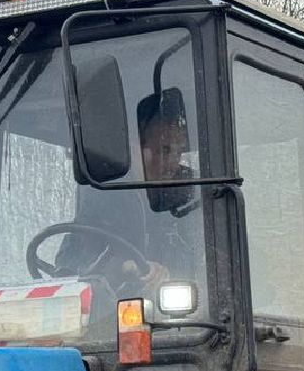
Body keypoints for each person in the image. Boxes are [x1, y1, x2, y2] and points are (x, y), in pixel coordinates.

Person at [52, 85, 199, 297]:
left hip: (182, 320)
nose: (172, 164)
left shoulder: (192, 195)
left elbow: (208, 259)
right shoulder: (103, 196)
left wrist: (168, 273)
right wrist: (120, 267)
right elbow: (67, 264)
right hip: (111, 316)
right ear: (132, 148)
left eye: (178, 152)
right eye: (163, 150)